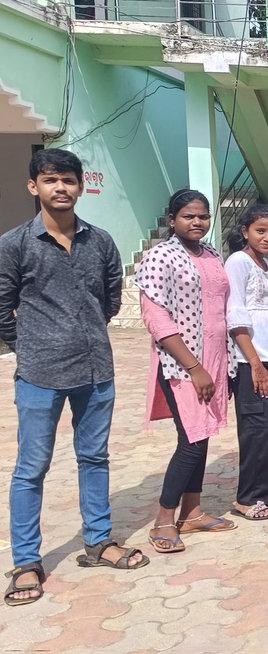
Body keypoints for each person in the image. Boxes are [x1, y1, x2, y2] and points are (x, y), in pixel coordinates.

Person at [0, 148, 147, 606]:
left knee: (94, 457)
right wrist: (32, 345)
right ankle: (26, 561)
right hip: (39, 375)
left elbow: (110, 300)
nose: (60, 187)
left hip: (96, 370)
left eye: (68, 179)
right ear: (34, 186)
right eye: (50, 180)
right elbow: (2, 307)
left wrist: (83, 334)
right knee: (31, 468)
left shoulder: (100, 241)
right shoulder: (15, 244)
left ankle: (98, 542)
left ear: (81, 186)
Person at [137, 190, 238, 553]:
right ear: (171, 220)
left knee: (203, 435)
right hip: (182, 365)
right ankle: (164, 519)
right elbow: (157, 319)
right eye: (188, 216)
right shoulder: (159, 256)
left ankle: (192, 512)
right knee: (192, 441)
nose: (197, 222)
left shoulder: (211, 254)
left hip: (215, 360)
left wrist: (223, 365)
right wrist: (194, 368)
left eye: (203, 216)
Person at [226, 205, 268, 521]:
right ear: (245, 231)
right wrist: (254, 361)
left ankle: (264, 493)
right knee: (255, 429)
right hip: (251, 361)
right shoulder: (238, 262)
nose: (267, 237)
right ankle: (246, 498)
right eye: (260, 231)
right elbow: (235, 314)